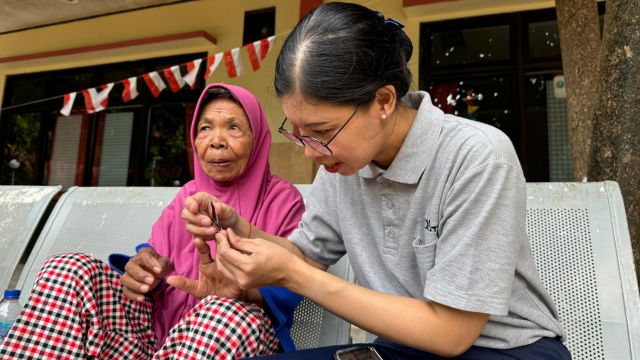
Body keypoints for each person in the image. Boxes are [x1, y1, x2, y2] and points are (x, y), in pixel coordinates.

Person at [180, 3, 571, 360]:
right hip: (401, 350)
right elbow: (305, 255)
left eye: (321, 131)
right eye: (297, 131)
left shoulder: (476, 155)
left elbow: (452, 333)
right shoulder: (346, 165)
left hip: (506, 351)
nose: (310, 152)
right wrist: (241, 231)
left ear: (383, 101)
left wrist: (294, 276)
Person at [0, 83, 305, 359]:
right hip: (156, 338)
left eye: (234, 128)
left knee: (224, 311)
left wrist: (242, 292)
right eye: (205, 128)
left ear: (258, 138)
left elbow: (294, 281)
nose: (216, 141)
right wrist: (144, 269)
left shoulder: (283, 200)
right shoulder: (188, 194)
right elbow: (157, 257)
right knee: (68, 270)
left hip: (231, 336)